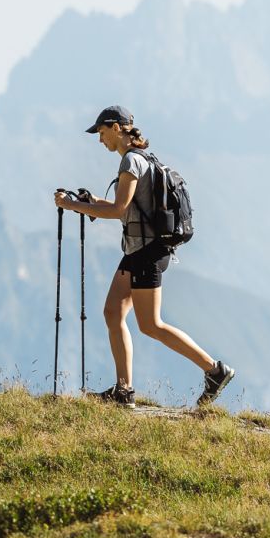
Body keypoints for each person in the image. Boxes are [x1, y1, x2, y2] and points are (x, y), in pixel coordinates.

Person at [53, 105, 235, 408]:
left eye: (100, 132)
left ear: (115, 127)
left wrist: (74, 208)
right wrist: (91, 201)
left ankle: (214, 370)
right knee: (113, 312)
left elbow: (118, 210)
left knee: (151, 325)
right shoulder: (141, 159)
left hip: (146, 253)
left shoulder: (130, 162)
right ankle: (123, 391)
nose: (99, 140)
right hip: (140, 250)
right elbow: (130, 208)